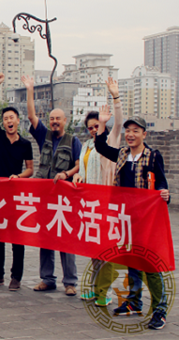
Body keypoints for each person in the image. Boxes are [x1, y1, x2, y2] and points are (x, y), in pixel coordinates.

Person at [95, 114, 170, 330]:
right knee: (132, 260)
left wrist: (165, 195)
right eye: (128, 131)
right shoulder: (121, 155)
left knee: (150, 264)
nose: (130, 134)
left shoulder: (153, 156)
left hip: (147, 219)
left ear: (144, 134)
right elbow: (100, 146)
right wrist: (103, 122)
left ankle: (160, 309)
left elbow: (162, 185)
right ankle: (134, 302)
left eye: (136, 131)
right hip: (125, 218)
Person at [21, 75, 81, 296]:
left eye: (59, 119)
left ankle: (70, 282)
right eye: (52, 118)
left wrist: (67, 174)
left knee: (66, 240)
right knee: (45, 237)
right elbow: (30, 115)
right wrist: (30, 89)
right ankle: (47, 278)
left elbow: (78, 166)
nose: (55, 122)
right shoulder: (43, 136)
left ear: (65, 121)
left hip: (64, 198)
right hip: (44, 196)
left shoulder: (73, 141)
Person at [72, 79, 123, 306]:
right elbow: (81, 171)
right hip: (89, 202)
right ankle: (95, 285)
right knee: (94, 247)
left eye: (97, 126)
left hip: (107, 201)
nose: (94, 130)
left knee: (107, 248)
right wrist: (76, 176)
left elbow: (119, 124)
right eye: (90, 127)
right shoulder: (86, 146)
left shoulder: (110, 142)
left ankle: (105, 290)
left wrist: (115, 98)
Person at [0, 73, 34, 291]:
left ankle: (16, 276)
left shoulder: (25, 144)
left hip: (17, 192)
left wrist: (19, 176)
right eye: (5, 119)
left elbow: (31, 169)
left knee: (17, 236)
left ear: (17, 120)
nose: (8, 121)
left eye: (11, 118)